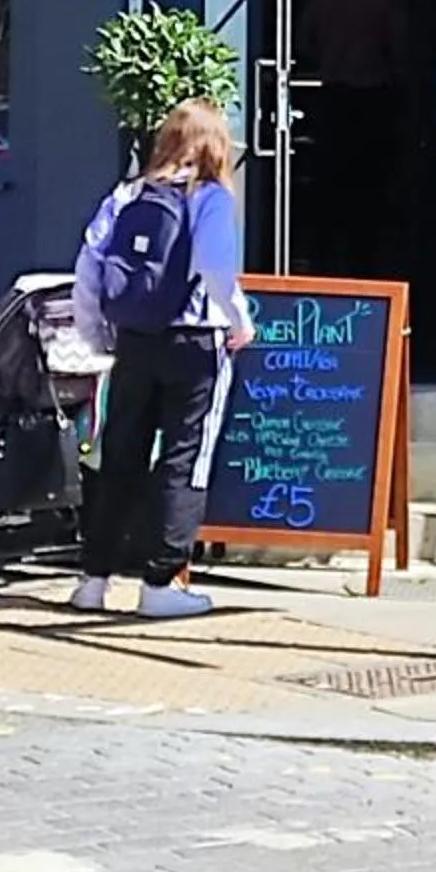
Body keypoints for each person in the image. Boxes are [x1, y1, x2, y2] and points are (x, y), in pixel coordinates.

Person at [68, 98, 256, 620]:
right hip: (195, 343)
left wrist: (97, 336)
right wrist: (239, 323)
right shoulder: (210, 196)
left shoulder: (129, 193)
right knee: (184, 458)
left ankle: (93, 579)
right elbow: (217, 268)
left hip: (135, 339)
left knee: (119, 455)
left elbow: (89, 267)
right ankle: (160, 582)